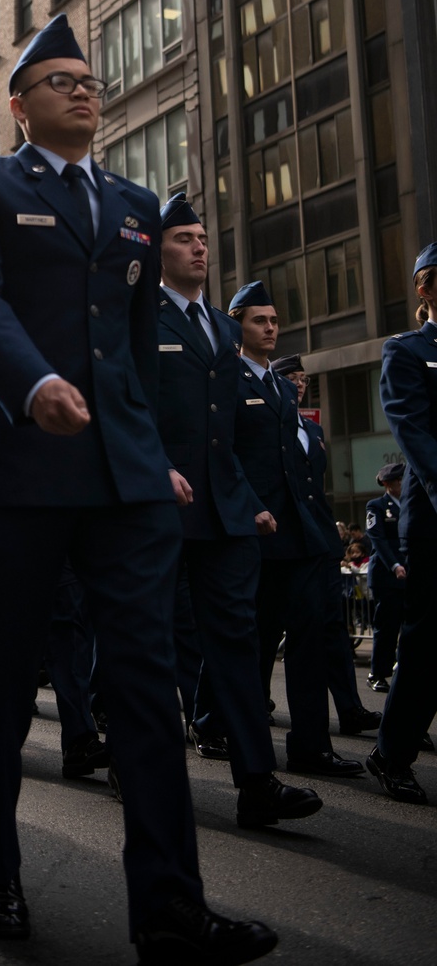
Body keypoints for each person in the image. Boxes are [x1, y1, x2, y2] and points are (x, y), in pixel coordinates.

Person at [0, 14, 277, 962]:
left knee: (144, 685)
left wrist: (153, 451)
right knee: (3, 683)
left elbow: (134, 349)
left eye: (88, 80)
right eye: (58, 82)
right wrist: (29, 383)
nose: (82, 91)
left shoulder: (132, 205)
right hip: (21, 469)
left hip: (124, 477)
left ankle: (169, 908)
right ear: (19, 106)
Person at [157, 196, 321, 830]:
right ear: (157, 250)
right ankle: (126, 755)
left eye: (202, 238)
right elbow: (127, 405)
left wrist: (249, 504)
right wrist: (151, 469)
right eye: (184, 239)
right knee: (142, 642)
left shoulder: (225, 333)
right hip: (158, 508)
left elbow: (228, 435)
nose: (199, 247)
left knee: (236, 642)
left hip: (224, 513)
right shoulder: (139, 320)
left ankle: (257, 782)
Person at [229, 284, 363, 783]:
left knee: (309, 646)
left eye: (274, 320)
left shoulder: (286, 390)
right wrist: (250, 509)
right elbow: (224, 455)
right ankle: (231, 735)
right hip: (260, 536)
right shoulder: (227, 378)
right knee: (254, 646)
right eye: (259, 320)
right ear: (237, 326)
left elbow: (299, 467)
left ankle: (311, 747)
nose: (270, 328)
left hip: (303, 536)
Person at [270, 355, 380, 739]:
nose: (299, 384)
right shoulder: (273, 422)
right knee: (266, 630)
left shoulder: (311, 430)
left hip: (319, 541)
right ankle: (228, 714)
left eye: (303, 379)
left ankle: (350, 708)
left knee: (331, 628)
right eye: (291, 378)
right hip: (283, 541)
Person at [369, 244, 437, 803]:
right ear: (426, 288)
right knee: (427, 646)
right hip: (435, 519)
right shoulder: (408, 352)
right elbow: (416, 438)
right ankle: (392, 753)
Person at [364, 464, 407, 692]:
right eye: (399, 481)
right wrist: (394, 564)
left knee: (409, 626)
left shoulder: (410, 505)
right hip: (387, 576)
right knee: (387, 626)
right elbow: (378, 539)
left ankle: (404, 668)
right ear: (389, 484)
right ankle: (377, 673)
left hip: (409, 575)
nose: (403, 484)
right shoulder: (377, 506)